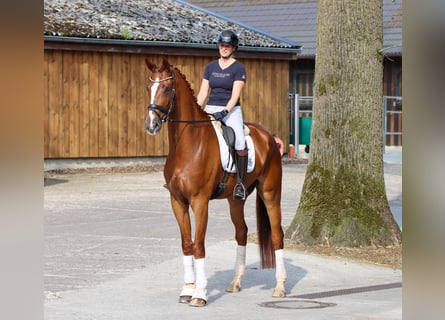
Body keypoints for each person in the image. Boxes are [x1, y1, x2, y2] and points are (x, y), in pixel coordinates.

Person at [197, 29, 248, 200]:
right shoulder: (210, 67)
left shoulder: (238, 68)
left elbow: (235, 95)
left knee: (240, 141)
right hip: (211, 108)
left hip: (230, 111)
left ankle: (240, 184)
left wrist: (225, 111)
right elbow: (203, 93)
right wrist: (197, 109)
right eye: (221, 45)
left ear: (234, 48)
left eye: (227, 45)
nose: (224, 48)